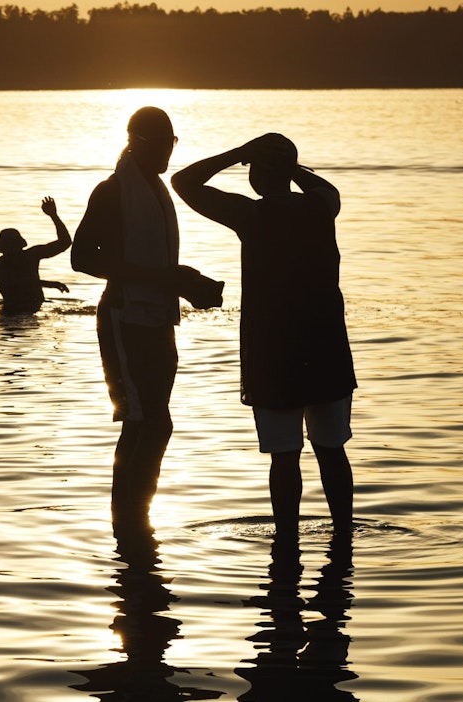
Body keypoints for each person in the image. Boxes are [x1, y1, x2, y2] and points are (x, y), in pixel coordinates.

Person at [171, 133, 356, 536]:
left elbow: (183, 181)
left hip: (275, 355)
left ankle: (286, 543)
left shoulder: (250, 214)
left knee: (284, 457)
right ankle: (344, 536)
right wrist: (290, 165)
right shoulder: (323, 206)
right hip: (327, 350)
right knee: (332, 451)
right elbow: (324, 187)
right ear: (290, 172)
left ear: (256, 174)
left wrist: (239, 153)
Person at [71, 106, 219, 525]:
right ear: (135, 142)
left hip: (158, 319)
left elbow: (158, 268)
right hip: (124, 318)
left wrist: (186, 284)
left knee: (152, 424)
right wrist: (166, 278)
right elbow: (81, 258)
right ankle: (129, 520)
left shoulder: (155, 190)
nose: (166, 152)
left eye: (171, 143)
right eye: (158, 144)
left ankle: (135, 528)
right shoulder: (112, 191)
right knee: (147, 423)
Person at [0, 196, 72, 313]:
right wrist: (51, 284)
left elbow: (65, 243)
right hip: (21, 309)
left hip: (15, 310)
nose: (13, 250)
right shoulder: (5, 263)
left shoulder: (28, 256)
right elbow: (20, 283)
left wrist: (54, 216)